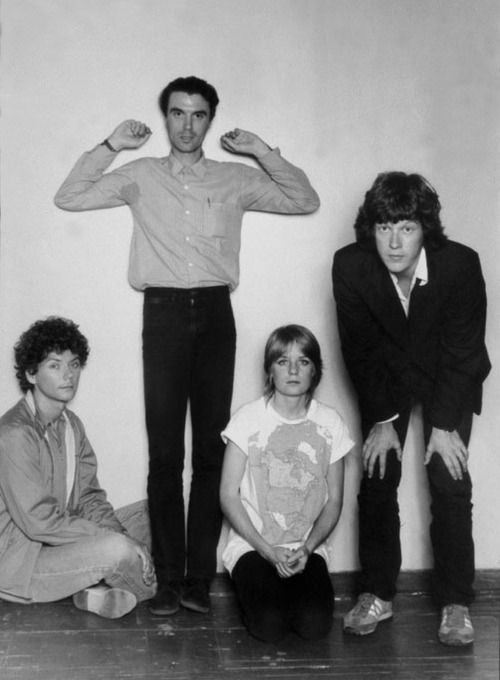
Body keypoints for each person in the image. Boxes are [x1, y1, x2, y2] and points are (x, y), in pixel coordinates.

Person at [54, 76, 320, 617]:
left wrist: (261, 150)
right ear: (166, 116)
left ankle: (200, 578)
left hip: (217, 313)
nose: (187, 125)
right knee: (164, 453)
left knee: (210, 453)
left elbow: (304, 198)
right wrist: (112, 145)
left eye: (198, 115)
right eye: (177, 114)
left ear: (211, 120)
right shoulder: (141, 175)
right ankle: (169, 579)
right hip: (164, 314)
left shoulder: (233, 178)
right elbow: (69, 195)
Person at [332, 172, 491, 646]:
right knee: (379, 475)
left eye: (406, 227)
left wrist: (443, 425)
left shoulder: (460, 264)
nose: (394, 241)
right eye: (384, 227)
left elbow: (464, 351)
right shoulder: (350, 266)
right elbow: (358, 351)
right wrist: (383, 420)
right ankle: (376, 594)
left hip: (448, 374)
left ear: (425, 228)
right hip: (386, 377)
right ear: (370, 229)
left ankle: (456, 601)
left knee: (448, 475)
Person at [0, 317, 156, 619]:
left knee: (158, 514)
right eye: (55, 366)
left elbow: (89, 498)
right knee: (120, 551)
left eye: (73, 365)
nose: (68, 375)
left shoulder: (71, 425)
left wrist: (118, 532)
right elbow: (39, 522)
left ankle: (94, 589)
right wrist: (120, 541)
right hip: (20, 562)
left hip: (60, 542)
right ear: (32, 374)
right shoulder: (15, 433)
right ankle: (135, 584)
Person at [220, 324, 353, 642]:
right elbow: (227, 495)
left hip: (305, 548)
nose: (293, 370)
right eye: (283, 361)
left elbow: (335, 499)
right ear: (270, 370)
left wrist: (308, 549)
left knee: (315, 626)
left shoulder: (330, 422)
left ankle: (290, 591)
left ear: (315, 370)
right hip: (254, 546)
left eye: (303, 361)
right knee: (269, 626)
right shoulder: (247, 419)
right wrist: (266, 551)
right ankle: (260, 594)